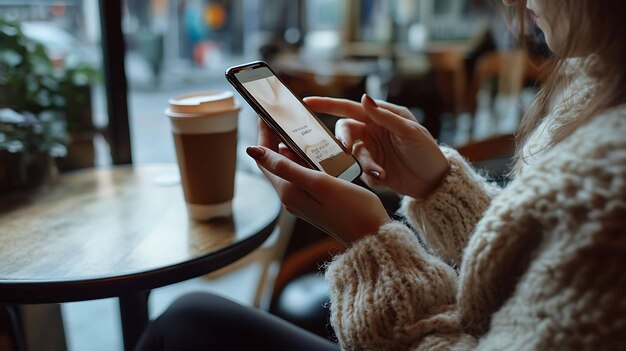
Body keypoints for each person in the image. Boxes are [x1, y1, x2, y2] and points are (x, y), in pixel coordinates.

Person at [136, 0, 626, 349]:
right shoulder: (596, 78)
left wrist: (370, 242)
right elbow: (538, 270)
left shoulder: (611, 178)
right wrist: (439, 186)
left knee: (185, 322)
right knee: (190, 318)